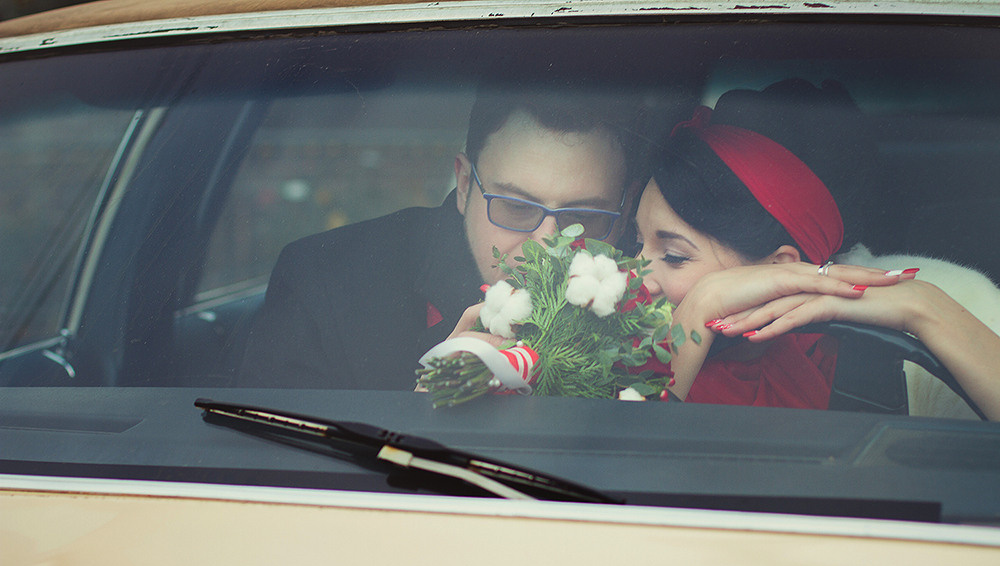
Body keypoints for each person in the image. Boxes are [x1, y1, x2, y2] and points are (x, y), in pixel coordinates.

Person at [634, 80, 1000, 420]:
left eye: (674, 257)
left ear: (778, 267)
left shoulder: (865, 362)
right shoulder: (611, 336)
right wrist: (699, 308)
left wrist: (926, 307)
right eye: (635, 243)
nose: (633, 274)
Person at [238, 88, 642, 389]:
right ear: (464, 185)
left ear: (624, 216)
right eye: (515, 207)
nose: (545, 248)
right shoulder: (323, 286)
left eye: (584, 218)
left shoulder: (655, 295)